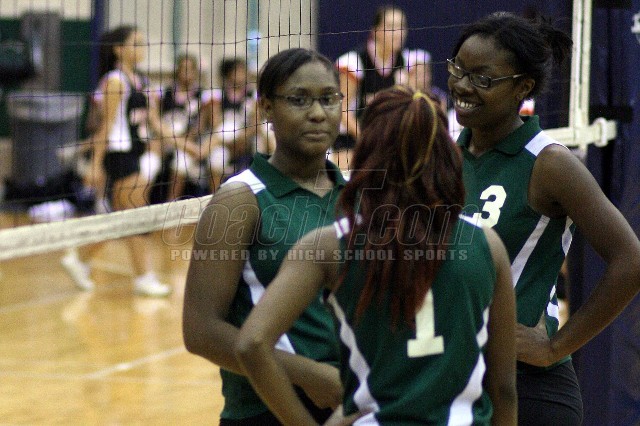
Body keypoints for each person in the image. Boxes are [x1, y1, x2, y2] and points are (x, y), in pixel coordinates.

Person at [235, 86, 518, 425]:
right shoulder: (487, 243)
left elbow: (251, 343)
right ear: (446, 154)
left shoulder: (329, 245)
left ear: (368, 154)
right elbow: (504, 390)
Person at [447, 12, 640, 425]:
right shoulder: (444, 156)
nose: (462, 85)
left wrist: (556, 347)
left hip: (528, 386)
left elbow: (631, 260)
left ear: (523, 87)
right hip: (454, 377)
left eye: (482, 78)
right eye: (458, 69)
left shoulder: (549, 163)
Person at [182, 47, 347, 424]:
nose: (317, 113)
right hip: (265, 409)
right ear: (267, 108)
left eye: (328, 99)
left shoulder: (357, 196)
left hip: (352, 403)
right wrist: (311, 375)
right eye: (299, 100)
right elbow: (201, 331)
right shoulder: (239, 200)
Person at [61, 25, 188, 297]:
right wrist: (96, 164)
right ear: (119, 50)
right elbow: (105, 126)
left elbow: (155, 124)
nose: (142, 48)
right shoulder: (115, 81)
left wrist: (187, 146)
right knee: (137, 216)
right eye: (136, 43)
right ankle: (144, 277)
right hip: (119, 156)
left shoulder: (142, 82)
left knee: (122, 218)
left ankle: (80, 258)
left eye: (143, 43)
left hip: (136, 154)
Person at [332, 5, 407, 170]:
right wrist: (367, 141)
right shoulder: (353, 61)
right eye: (391, 27)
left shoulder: (402, 61)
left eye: (402, 27)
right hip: (348, 139)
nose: (398, 33)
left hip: (382, 140)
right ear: (376, 31)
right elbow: (340, 110)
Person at [158, 53, 215, 201]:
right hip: (165, 141)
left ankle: (172, 202)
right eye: (183, 68)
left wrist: (183, 142)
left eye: (190, 69)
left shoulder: (203, 95)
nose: (186, 72)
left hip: (189, 144)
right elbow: (158, 121)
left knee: (181, 159)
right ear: (178, 70)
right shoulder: (165, 93)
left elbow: (200, 126)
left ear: (195, 71)